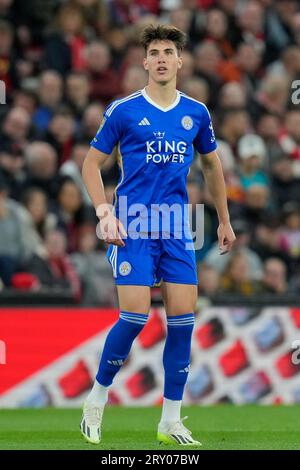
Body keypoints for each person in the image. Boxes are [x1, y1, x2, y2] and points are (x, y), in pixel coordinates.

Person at [80, 24, 236, 446]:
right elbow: (91, 165)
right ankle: (96, 399)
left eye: (169, 51)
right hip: (131, 226)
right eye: (155, 52)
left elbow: (211, 166)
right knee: (133, 317)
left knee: (183, 324)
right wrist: (104, 212)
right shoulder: (124, 110)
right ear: (145, 62)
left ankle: (170, 420)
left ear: (180, 61)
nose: (163, 58)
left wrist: (223, 219)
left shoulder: (197, 112)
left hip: (177, 228)